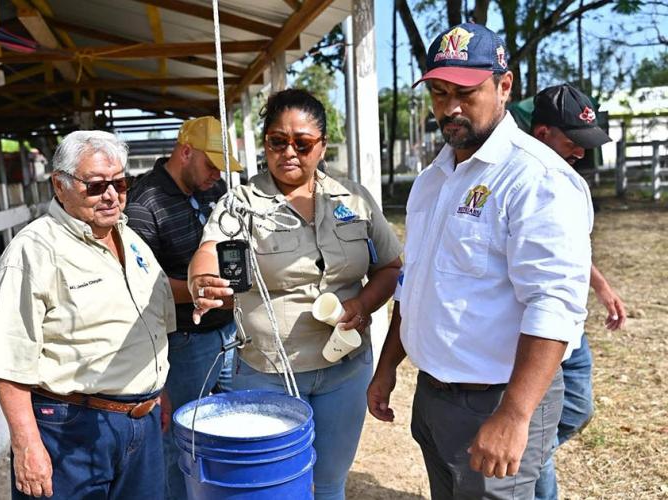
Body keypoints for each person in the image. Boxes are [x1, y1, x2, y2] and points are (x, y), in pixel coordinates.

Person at [367, 23, 594, 499]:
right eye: (439, 92)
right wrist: (388, 365)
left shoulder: (536, 178)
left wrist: (513, 415)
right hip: (435, 394)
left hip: (497, 399)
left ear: (504, 86)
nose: (450, 108)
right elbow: (415, 282)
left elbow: (553, 304)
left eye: (466, 92)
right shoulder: (435, 178)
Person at [187, 88, 402, 500]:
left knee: (329, 482)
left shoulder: (353, 199)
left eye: (302, 144)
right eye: (277, 141)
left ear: (321, 146)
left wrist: (361, 304)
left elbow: (389, 268)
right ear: (265, 143)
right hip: (269, 372)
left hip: (345, 368)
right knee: (276, 486)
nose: (289, 152)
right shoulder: (242, 202)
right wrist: (203, 282)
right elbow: (210, 251)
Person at [0, 130, 175, 499]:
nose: (112, 195)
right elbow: (8, 362)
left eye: (121, 182)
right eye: (97, 186)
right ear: (60, 185)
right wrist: (27, 446)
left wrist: (157, 393)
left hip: (141, 424)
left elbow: (151, 326)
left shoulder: (130, 238)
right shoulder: (34, 252)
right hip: (72, 429)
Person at [124, 116, 242, 500]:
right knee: (181, 438)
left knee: (232, 426)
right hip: (183, 340)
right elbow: (140, 286)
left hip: (229, 332)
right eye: (210, 165)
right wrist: (204, 292)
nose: (216, 175)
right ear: (185, 151)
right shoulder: (144, 202)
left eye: (221, 168)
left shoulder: (216, 189)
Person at [530, 83, 628, 500]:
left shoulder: (569, 183)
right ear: (542, 134)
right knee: (539, 431)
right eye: (574, 142)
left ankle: (524, 460)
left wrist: (602, 289)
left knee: (576, 409)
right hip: (539, 329)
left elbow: (570, 249)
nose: (581, 152)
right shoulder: (521, 184)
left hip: (573, 328)